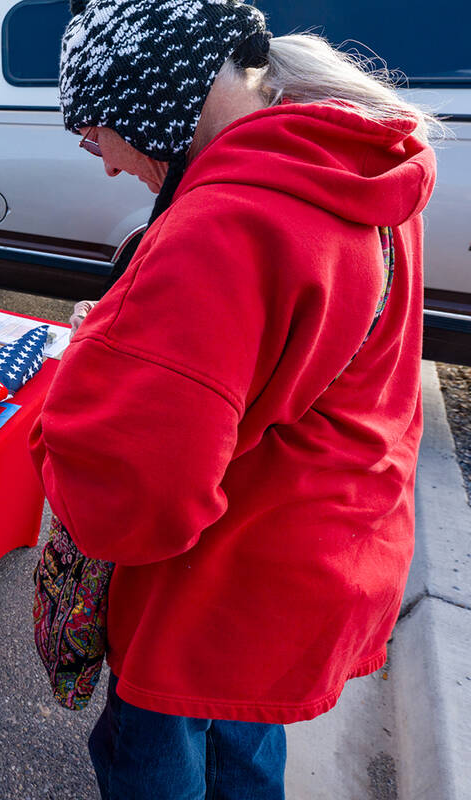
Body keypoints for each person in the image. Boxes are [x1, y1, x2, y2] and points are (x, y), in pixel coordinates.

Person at [29, 0, 439, 797]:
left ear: (147, 105)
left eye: (95, 138)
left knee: (153, 758)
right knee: (247, 751)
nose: (107, 164)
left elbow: (134, 500)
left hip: (221, 583)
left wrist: (82, 371)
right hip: (319, 554)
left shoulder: (226, 224)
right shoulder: (347, 163)